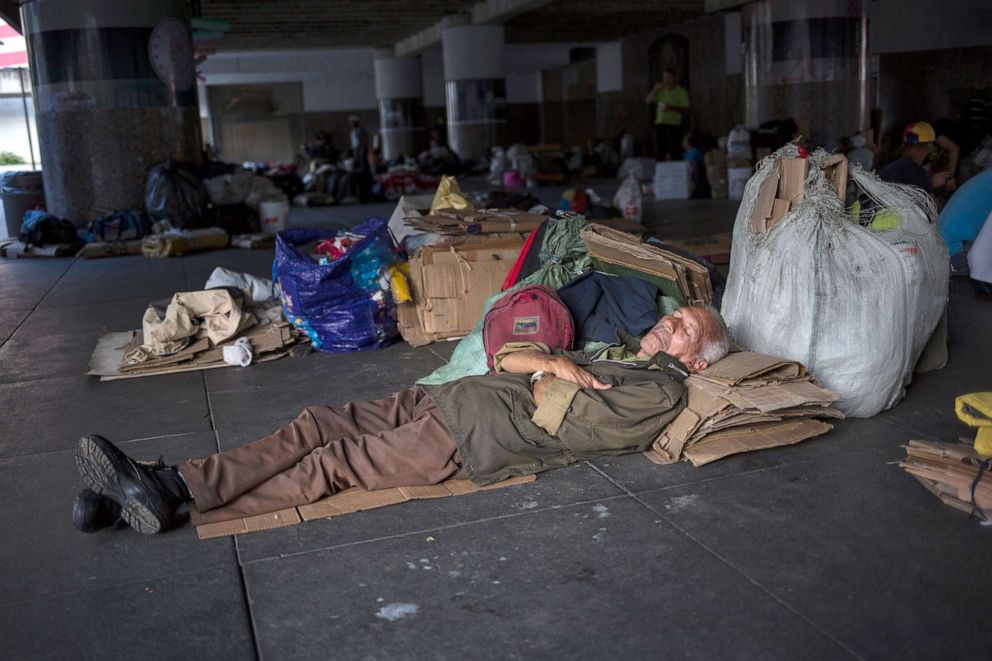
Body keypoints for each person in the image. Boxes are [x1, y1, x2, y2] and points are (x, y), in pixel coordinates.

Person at [72, 305, 730, 535]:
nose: (669, 323)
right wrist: (553, 364)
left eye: (685, 330)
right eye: (675, 316)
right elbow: (512, 354)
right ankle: (166, 487)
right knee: (318, 421)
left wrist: (549, 372)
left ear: (697, 362)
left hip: (473, 435)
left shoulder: (659, 394)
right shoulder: (614, 354)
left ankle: (172, 497)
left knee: (333, 463)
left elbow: (567, 419)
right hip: (450, 397)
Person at [878, 121, 951, 193]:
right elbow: (930, 203)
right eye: (928, 148)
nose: (929, 154)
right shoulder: (916, 172)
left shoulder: (893, 164)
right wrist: (931, 184)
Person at [646, 69, 690, 161]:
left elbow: (685, 110)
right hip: (660, 125)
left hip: (674, 126)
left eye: (669, 78)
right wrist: (655, 89)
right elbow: (648, 101)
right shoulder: (661, 91)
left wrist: (670, 108)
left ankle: (677, 172)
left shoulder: (681, 92)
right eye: (664, 78)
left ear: (675, 79)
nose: (666, 81)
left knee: (675, 151)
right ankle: (660, 172)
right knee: (659, 151)